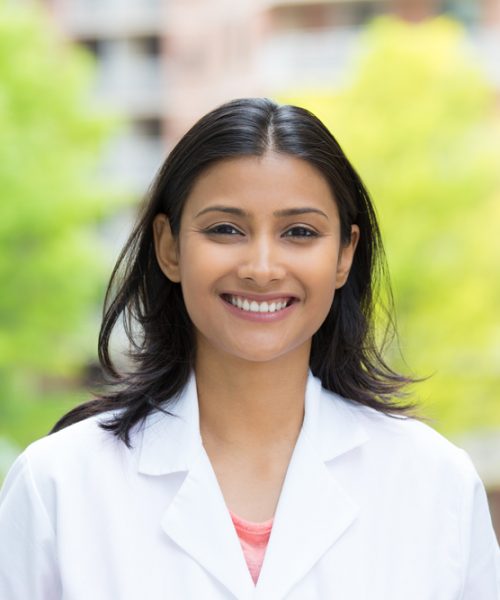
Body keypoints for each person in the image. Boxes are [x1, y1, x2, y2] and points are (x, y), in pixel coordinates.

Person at [0, 98, 498, 599]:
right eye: (225, 229)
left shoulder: (436, 485)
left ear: (345, 254)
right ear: (169, 246)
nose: (261, 267)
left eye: (299, 232)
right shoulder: (58, 486)